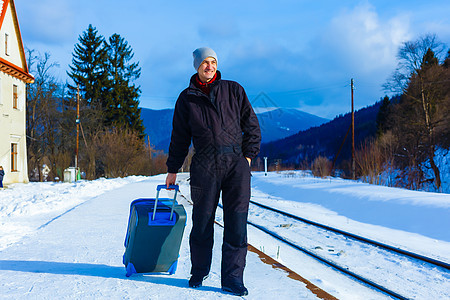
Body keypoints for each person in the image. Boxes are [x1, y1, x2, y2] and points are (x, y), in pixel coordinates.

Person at [165, 47, 261, 296]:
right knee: (202, 221)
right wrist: (172, 169)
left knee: (237, 224)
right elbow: (179, 137)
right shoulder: (187, 98)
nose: (209, 66)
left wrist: (247, 158)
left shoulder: (234, 89)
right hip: (204, 164)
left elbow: (252, 126)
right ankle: (199, 271)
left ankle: (232, 279)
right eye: (205, 62)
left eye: (213, 61)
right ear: (196, 66)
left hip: (235, 164)